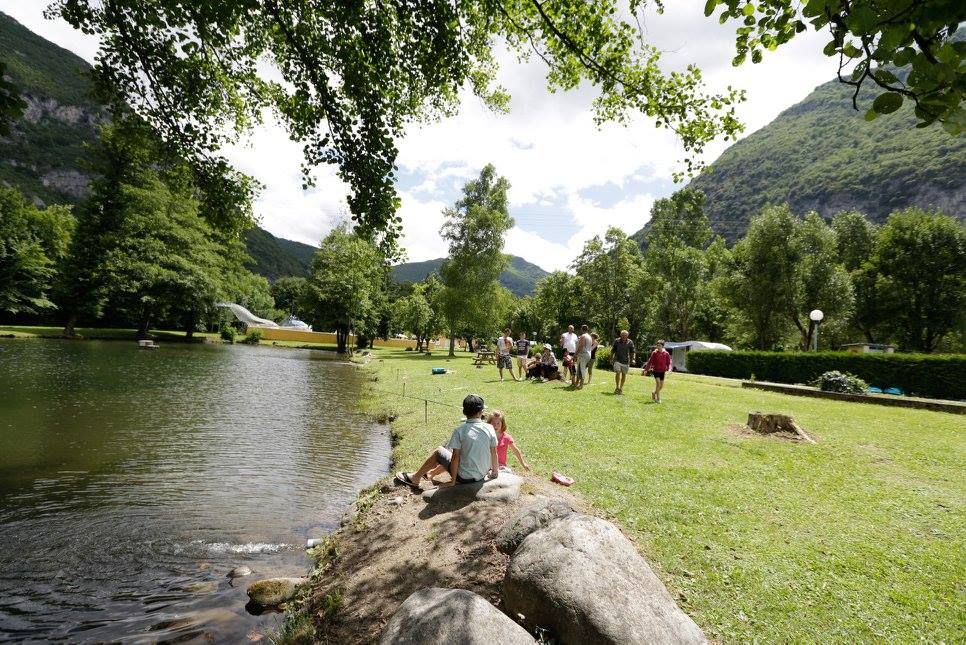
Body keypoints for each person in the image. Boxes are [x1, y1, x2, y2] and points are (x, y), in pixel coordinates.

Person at [395, 394, 498, 489]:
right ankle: (430, 473)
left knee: (439, 451)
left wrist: (453, 481)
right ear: (481, 412)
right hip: (481, 475)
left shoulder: (459, 431)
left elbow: (455, 458)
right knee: (450, 447)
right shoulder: (489, 428)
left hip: (464, 478)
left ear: (464, 412)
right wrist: (494, 471)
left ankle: (415, 478)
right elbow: (494, 452)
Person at [611, 330, 636, 395]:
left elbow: (633, 352)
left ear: (627, 336)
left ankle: (621, 388)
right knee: (618, 372)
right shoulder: (616, 341)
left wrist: (633, 359)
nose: (624, 336)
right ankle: (617, 387)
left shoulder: (630, 342)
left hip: (626, 361)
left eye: (625, 335)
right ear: (620, 335)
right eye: (622, 335)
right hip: (617, 360)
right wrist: (611, 358)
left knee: (624, 374)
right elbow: (613, 350)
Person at [574, 325, 593, 389]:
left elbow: (581, 346)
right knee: (580, 368)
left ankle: (581, 385)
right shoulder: (589, 336)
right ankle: (577, 383)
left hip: (583, 355)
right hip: (588, 355)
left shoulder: (583, 336)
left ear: (581, 329)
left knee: (581, 369)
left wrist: (575, 354)